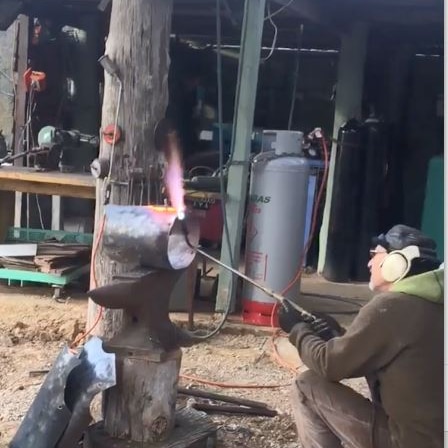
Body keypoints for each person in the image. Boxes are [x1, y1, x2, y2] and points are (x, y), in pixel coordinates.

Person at [278, 224, 443, 448]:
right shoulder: (434, 304)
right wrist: (336, 335)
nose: (369, 263)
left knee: (306, 385)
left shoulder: (392, 306)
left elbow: (330, 365)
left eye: (375, 256)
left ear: (396, 263)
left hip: (406, 442)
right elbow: (386, 354)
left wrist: (298, 330)